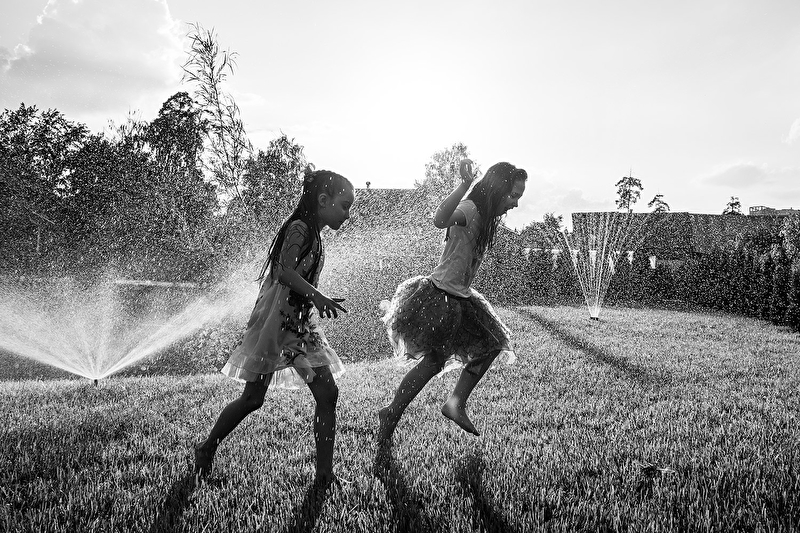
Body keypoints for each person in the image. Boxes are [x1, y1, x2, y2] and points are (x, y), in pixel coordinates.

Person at [194, 168, 354, 487]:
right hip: (277, 325)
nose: (347, 214)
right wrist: (318, 296)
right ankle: (207, 446)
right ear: (323, 200)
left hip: (300, 326)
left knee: (327, 393)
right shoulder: (299, 228)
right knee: (253, 399)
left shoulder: (315, 234)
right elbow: (283, 273)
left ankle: (324, 475)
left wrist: (314, 300)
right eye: (344, 205)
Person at [377, 159, 526, 449]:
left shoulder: (486, 218)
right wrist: (464, 185)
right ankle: (394, 411)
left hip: (461, 297)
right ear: (497, 190)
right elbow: (439, 219)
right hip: (441, 296)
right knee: (435, 362)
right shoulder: (470, 210)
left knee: (492, 343)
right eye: (513, 195)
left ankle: (454, 403)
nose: (515, 204)